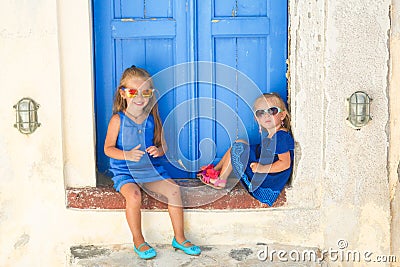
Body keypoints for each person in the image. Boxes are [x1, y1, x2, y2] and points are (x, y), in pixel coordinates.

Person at [104, 65, 201, 259]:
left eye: (145, 92)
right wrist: (127, 155)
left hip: (150, 170)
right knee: (133, 196)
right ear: (123, 94)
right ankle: (138, 240)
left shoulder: (152, 118)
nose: (139, 97)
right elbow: (108, 148)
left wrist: (158, 150)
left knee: (174, 190)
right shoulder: (118, 120)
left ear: (151, 94)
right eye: (133, 92)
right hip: (126, 172)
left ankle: (179, 238)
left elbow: (164, 146)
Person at [197, 92, 294, 206]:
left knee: (238, 148)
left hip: (266, 180)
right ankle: (216, 171)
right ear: (257, 119)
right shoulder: (272, 136)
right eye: (261, 113)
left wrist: (262, 169)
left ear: (282, 115)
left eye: (272, 111)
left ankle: (220, 180)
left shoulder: (280, 136)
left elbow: (285, 163)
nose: (266, 115)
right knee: (239, 143)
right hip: (263, 172)